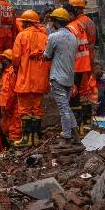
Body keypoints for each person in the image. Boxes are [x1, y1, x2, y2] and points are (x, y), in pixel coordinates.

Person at [10, 9, 49, 147]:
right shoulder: (45, 37)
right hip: (40, 80)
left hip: (24, 79)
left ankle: (26, 139)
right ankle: (36, 138)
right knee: (37, 109)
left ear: (26, 23)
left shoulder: (21, 36)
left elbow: (15, 58)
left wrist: (16, 70)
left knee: (25, 110)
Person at [43, 7, 79, 141]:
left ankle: (67, 135)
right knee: (66, 107)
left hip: (57, 78)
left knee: (63, 109)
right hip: (69, 78)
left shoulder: (53, 36)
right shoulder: (73, 37)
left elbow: (47, 56)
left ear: (54, 22)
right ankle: (75, 133)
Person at [67, 0, 99, 131]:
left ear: (74, 9)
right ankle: (87, 120)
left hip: (81, 58)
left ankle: (80, 123)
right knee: (85, 90)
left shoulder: (78, 23)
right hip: (88, 57)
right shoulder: (88, 20)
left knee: (79, 91)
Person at [0, 49, 21, 146]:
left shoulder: (10, 73)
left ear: (7, 60)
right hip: (8, 105)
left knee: (14, 128)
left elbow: (9, 92)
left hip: (11, 106)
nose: (2, 60)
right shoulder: (7, 72)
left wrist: (5, 106)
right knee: (6, 126)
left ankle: (14, 148)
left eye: (3, 58)